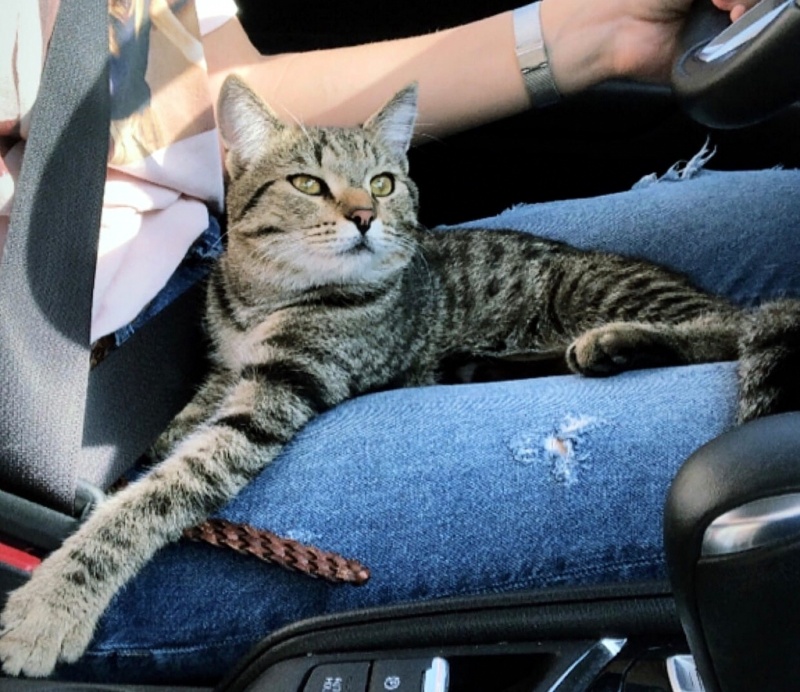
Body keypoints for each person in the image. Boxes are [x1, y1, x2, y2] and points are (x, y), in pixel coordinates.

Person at [3, 0, 800, 684]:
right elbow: (240, 435)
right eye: (324, 189)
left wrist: (603, 30)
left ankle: (687, 343)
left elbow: (198, 95)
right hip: (60, 411)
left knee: (779, 215)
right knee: (776, 454)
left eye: (380, 187)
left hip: (218, 267)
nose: (361, 207)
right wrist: (86, 568)